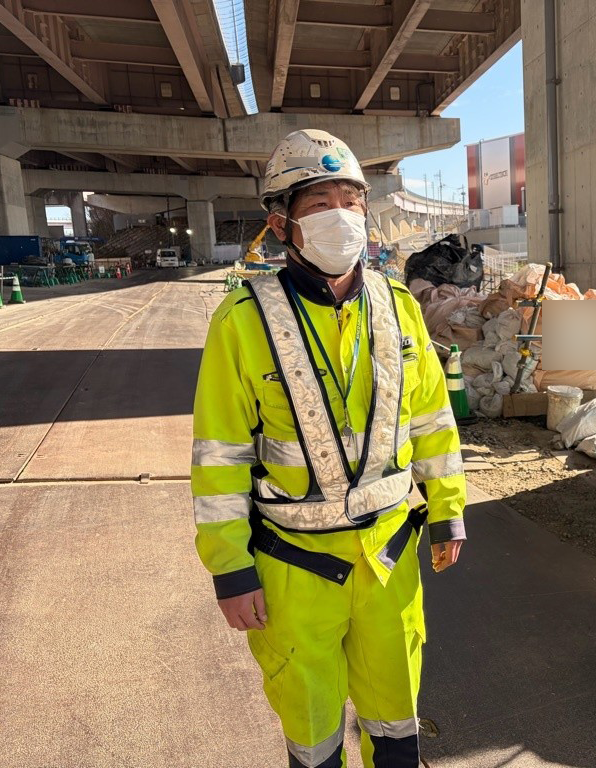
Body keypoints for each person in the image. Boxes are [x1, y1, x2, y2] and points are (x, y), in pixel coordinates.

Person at [192, 128, 466, 768]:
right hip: (294, 569)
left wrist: (448, 508)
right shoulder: (242, 321)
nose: (340, 217)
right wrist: (230, 569)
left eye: (350, 202)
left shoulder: (398, 308)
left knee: (395, 722)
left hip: (388, 559)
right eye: (319, 205)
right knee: (313, 734)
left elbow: (432, 419)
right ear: (281, 224)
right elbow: (219, 456)